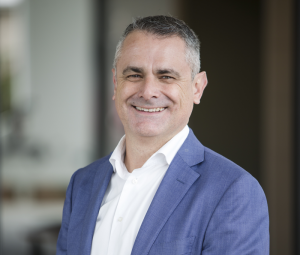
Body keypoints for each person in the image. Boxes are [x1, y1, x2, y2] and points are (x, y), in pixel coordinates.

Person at [56, 15, 269, 255]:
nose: (148, 92)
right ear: (116, 83)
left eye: (166, 76)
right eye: (134, 75)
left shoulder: (233, 192)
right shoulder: (82, 184)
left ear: (197, 88)